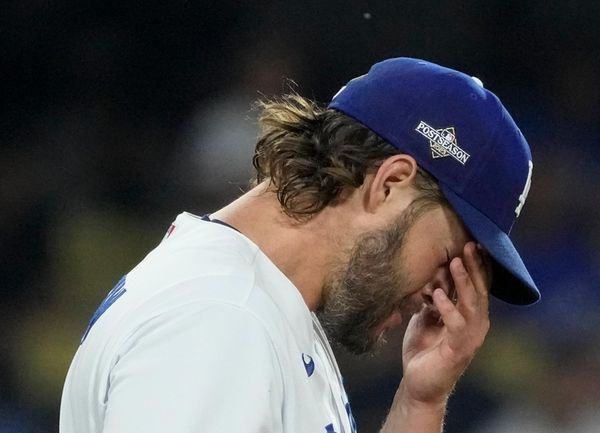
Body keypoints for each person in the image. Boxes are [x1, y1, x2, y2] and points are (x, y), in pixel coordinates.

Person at [60, 57, 539, 433]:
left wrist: (420, 403)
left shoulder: (263, 305)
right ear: (389, 184)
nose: (444, 292)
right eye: (449, 255)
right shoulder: (221, 318)